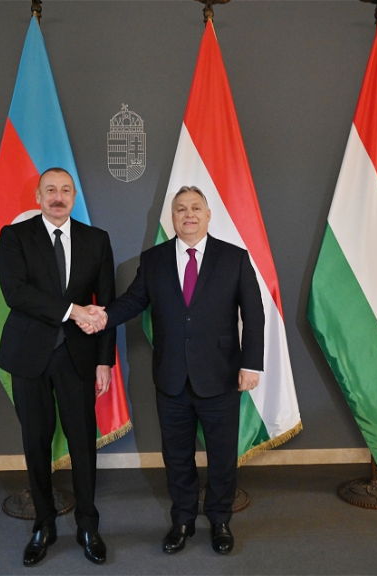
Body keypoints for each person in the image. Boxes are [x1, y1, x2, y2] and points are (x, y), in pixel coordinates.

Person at [80, 186, 264, 555]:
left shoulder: (235, 258)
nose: (189, 214)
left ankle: (220, 520)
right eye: (181, 209)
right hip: (171, 377)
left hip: (221, 375)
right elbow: (133, 301)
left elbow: (254, 315)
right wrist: (101, 317)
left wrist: (251, 364)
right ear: (173, 217)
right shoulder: (154, 260)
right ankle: (182, 520)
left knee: (222, 455)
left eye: (196, 208)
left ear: (208, 215)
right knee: (177, 456)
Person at [0, 167, 115, 567]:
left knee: (83, 443)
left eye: (65, 190)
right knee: (36, 443)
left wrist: (105, 360)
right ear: (38, 197)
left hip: (78, 358)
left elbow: (107, 304)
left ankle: (88, 526)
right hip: (28, 355)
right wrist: (73, 310)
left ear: (74, 196)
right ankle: (43, 525)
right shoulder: (14, 236)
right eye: (50, 190)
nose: (58, 197)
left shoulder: (97, 240)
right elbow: (16, 293)